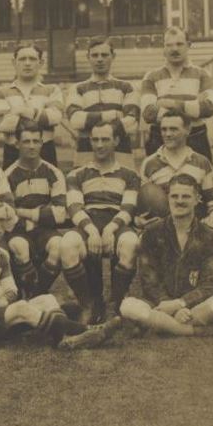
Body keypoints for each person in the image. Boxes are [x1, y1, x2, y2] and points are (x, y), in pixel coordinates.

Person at [0, 199, 120, 350]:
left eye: (2, 221)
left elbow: (12, 293)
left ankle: (66, 339)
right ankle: (86, 330)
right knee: (21, 308)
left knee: (46, 299)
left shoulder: (1, 253)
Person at [120, 174, 213, 337]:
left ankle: (164, 325)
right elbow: (149, 282)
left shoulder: (208, 236)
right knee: (127, 306)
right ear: (168, 198)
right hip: (160, 304)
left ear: (197, 199)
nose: (179, 201)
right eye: (174, 196)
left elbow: (209, 285)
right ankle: (195, 330)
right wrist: (168, 305)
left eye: (186, 196)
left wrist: (181, 303)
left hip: (194, 306)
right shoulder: (152, 233)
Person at [60, 121, 141, 323]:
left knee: (131, 243)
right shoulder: (76, 174)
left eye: (105, 139)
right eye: (95, 140)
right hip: (87, 222)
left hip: (118, 222)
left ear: (116, 141)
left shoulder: (129, 174)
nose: (99, 145)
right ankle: (89, 304)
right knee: (67, 244)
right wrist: (93, 231)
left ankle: (116, 304)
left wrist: (111, 229)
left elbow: (128, 207)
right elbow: (74, 207)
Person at [4, 120, 68, 298]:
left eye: (36, 141)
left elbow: (59, 214)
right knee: (19, 246)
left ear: (42, 143)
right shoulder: (7, 175)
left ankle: (37, 294)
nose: (31, 146)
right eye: (26, 141)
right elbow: (8, 215)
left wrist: (24, 212)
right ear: (17, 144)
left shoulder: (53, 173)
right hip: (18, 232)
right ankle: (28, 293)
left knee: (60, 246)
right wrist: (40, 214)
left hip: (45, 231)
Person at [140, 26, 213, 160]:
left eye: (179, 44)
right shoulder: (151, 76)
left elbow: (208, 108)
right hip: (161, 138)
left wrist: (168, 103)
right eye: (169, 45)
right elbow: (148, 113)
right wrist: (192, 107)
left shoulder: (203, 74)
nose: (174, 49)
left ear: (189, 45)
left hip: (195, 138)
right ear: (163, 48)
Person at [66, 37, 140, 169]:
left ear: (113, 56)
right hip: (86, 155)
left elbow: (132, 123)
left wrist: (89, 121)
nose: (99, 59)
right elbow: (75, 120)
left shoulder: (127, 87)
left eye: (104, 55)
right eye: (95, 55)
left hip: (121, 155)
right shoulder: (78, 88)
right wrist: (113, 115)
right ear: (88, 57)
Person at [139, 112, 213, 231]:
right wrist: (139, 220)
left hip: (195, 228)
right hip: (162, 229)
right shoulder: (149, 163)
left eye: (173, 129)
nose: (167, 134)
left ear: (188, 130)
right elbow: (143, 202)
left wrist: (211, 220)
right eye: (164, 129)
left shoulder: (202, 162)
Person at [0, 42, 64, 169]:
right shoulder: (2, 91)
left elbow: (55, 117)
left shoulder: (52, 90)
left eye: (32, 59)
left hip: (45, 151)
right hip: (13, 152)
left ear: (41, 63)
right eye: (22, 59)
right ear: (14, 62)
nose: (27, 63)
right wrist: (40, 116)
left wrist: (19, 111)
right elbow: (2, 125)